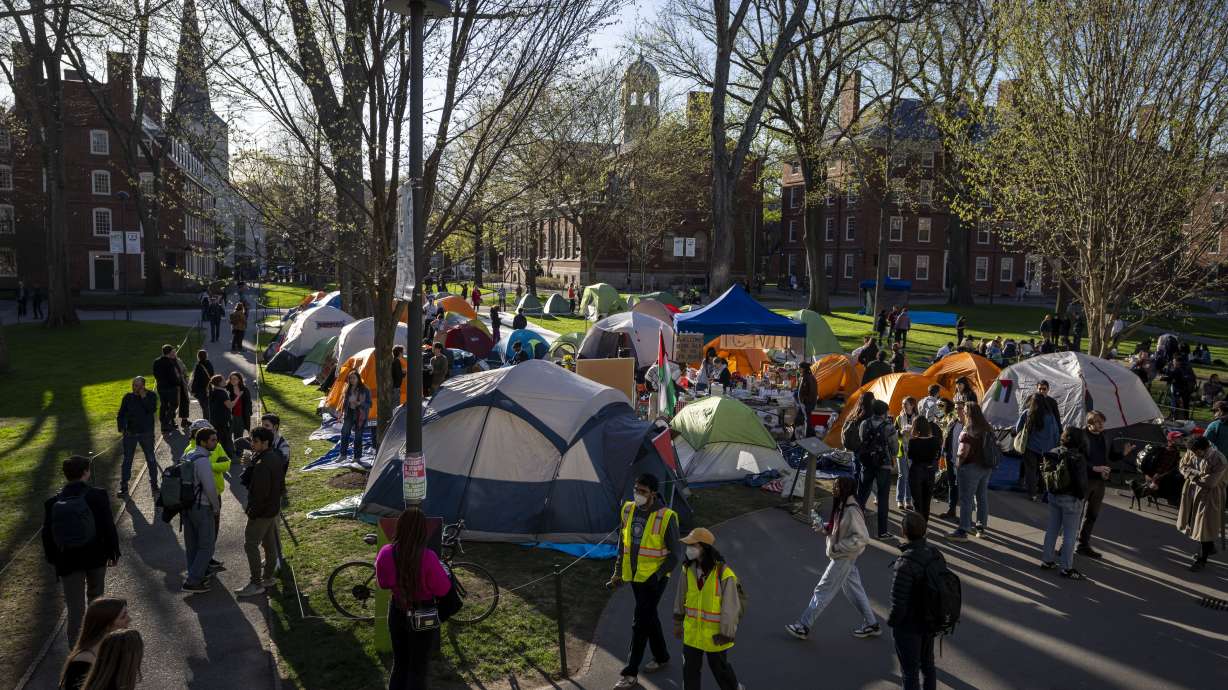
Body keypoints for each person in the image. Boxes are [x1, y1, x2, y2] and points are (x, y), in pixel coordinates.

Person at [608, 475, 682, 689]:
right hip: (634, 576)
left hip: (654, 580)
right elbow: (624, 543)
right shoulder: (628, 509)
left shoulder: (667, 517)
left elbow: (675, 554)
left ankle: (630, 673)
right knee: (649, 616)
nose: (637, 494)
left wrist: (657, 576)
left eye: (642, 491)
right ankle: (662, 656)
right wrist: (618, 571)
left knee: (639, 622)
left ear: (653, 493)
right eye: (636, 489)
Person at [785, 475, 880, 641]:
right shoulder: (844, 504)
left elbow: (862, 537)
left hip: (843, 557)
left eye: (836, 486)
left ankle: (803, 626)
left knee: (823, 590)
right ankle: (872, 623)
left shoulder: (851, 509)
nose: (833, 489)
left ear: (845, 489)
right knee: (854, 590)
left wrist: (838, 547)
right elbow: (842, 527)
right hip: (845, 557)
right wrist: (825, 527)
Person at [43, 455, 121, 644]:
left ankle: (76, 649)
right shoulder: (97, 495)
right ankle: (99, 641)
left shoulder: (53, 502)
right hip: (95, 556)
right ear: (86, 472)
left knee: (75, 607)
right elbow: (107, 526)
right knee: (96, 600)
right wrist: (113, 551)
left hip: (67, 560)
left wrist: (54, 560)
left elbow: (47, 535)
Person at [375, 507, 454, 690]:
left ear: (399, 527)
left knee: (400, 663)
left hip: (397, 610)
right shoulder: (428, 557)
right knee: (417, 667)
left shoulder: (386, 553)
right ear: (422, 531)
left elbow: (383, 583)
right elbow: (443, 590)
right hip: (423, 612)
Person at [672, 527, 742, 690]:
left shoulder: (724, 573)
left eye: (693, 545)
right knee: (689, 671)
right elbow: (680, 597)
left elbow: (730, 608)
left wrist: (726, 634)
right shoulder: (686, 569)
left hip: (715, 636)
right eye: (688, 545)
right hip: (692, 632)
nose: (688, 549)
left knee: (720, 669)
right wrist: (677, 622)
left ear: (704, 548)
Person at [889, 512, 942, 690]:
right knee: (928, 665)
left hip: (909, 626)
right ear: (925, 531)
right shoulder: (935, 554)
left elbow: (898, 603)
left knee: (910, 672)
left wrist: (893, 623)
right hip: (930, 620)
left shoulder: (904, 563)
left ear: (904, 532)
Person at [234, 428, 286, 597]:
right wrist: (251, 465)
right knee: (269, 545)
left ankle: (256, 583)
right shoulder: (274, 456)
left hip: (262, 512)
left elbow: (259, 494)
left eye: (255, 441)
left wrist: (252, 512)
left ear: (265, 443)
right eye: (251, 441)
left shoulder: (263, 464)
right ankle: (268, 578)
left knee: (250, 544)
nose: (252, 444)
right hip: (272, 509)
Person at [1040, 428, 1090, 579]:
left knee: (1052, 529)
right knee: (1069, 534)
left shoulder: (1052, 452)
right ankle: (1066, 568)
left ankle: (1047, 560)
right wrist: (1081, 497)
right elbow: (1081, 483)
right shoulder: (1077, 457)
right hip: (1071, 499)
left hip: (1054, 496)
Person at [1177, 436, 1227, 572]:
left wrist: (1191, 474)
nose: (1192, 455)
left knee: (1204, 525)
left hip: (1210, 496)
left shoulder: (1219, 460)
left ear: (1202, 450)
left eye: (1195, 452)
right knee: (1193, 522)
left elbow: (1210, 482)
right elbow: (1182, 466)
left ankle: (1201, 559)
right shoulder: (1191, 452)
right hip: (1192, 492)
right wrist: (1198, 474)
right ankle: (1210, 546)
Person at [181, 428, 222, 591]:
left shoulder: (187, 455)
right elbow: (210, 488)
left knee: (192, 545)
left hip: (186, 507)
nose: (216, 442)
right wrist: (216, 507)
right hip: (202, 507)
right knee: (207, 545)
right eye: (212, 440)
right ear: (203, 442)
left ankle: (196, 573)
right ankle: (193, 581)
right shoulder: (203, 461)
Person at [59, 597, 130, 690]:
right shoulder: (83, 661)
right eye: (123, 616)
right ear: (106, 625)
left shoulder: (111, 647)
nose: (129, 619)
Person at [1078, 411, 1121, 559]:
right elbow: (1078, 458)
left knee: (1092, 515)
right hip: (1084, 480)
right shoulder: (1081, 436)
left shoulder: (1105, 436)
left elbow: (1112, 456)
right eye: (1097, 421)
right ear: (1089, 423)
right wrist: (1093, 468)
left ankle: (1083, 545)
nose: (1101, 424)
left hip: (1100, 482)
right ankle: (1067, 544)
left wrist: (1123, 453)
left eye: (1102, 421)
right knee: (1075, 514)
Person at [948, 402, 994, 541]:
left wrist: (957, 465)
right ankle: (980, 528)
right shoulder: (987, 428)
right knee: (981, 497)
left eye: (964, 411)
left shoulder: (968, 430)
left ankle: (963, 530)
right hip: (985, 467)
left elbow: (962, 452)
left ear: (968, 413)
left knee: (966, 499)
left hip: (970, 468)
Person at [858, 400, 898, 539]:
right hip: (883, 464)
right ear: (884, 412)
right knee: (882, 498)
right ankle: (882, 531)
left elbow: (862, 438)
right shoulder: (889, 427)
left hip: (867, 462)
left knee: (862, 495)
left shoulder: (864, 423)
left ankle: (855, 526)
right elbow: (894, 447)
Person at [1016, 383, 1062, 501]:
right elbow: (1056, 431)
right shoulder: (1050, 416)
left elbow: (1018, 428)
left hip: (1031, 447)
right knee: (1043, 470)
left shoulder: (1028, 413)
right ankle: (1042, 490)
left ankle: (1032, 494)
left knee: (1030, 470)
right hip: (1046, 448)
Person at [115, 377, 158, 499]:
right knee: (127, 460)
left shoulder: (151, 396)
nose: (135, 388)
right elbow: (121, 414)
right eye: (134, 385)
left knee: (150, 458)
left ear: (144, 386)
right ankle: (124, 487)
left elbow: (151, 409)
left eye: (138, 386)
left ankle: (154, 484)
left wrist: (143, 397)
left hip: (146, 433)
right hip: (130, 434)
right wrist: (121, 427)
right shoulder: (127, 397)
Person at [908, 418, 941, 521]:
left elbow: (910, 456)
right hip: (930, 470)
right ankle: (924, 526)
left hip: (916, 470)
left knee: (917, 503)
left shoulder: (913, 441)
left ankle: (917, 527)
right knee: (926, 502)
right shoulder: (935, 440)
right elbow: (937, 456)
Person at [337, 371, 372, 462]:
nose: (352, 380)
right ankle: (343, 455)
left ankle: (357, 457)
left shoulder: (365, 389)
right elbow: (344, 402)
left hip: (360, 414)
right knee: (344, 433)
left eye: (354, 378)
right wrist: (341, 412)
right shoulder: (348, 388)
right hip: (349, 413)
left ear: (358, 379)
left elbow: (369, 404)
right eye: (350, 378)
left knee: (358, 436)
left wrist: (359, 403)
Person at [936, 399, 961, 520]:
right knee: (952, 484)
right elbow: (945, 433)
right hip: (949, 455)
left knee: (961, 486)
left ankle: (966, 519)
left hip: (960, 458)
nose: (939, 407)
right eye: (956, 408)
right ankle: (952, 510)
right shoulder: (947, 417)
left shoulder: (955, 418)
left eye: (941, 405)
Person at [152, 344, 183, 435]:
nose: (174, 353)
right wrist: (178, 383)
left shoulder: (156, 361)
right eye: (173, 352)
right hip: (170, 388)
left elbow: (155, 374)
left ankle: (168, 423)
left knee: (164, 405)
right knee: (174, 405)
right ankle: (165, 423)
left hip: (161, 387)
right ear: (169, 353)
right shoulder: (169, 362)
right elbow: (172, 376)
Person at [896, 397, 920, 510]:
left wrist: (914, 433)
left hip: (913, 450)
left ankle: (908, 500)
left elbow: (922, 433)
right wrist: (901, 432)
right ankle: (900, 500)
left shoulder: (918, 419)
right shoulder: (899, 418)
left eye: (906, 404)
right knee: (902, 475)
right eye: (902, 404)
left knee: (910, 476)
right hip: (901, 450)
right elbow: (894, 433)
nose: (903, 406)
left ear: (912, 406)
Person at [1163, 355, 1198, 420]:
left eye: (1174, 361)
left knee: (1175, 403)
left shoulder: (1178, 369)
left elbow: (1171, 377)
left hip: (1178, 389)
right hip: (1188, 389)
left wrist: (1164, 377)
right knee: (1186, 404)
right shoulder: (1188, 368)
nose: (1173, 363)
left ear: (1177, 362)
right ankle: (1186, 418)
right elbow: (1193, 377)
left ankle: (1173, 417)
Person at [226, 372, 253, 444]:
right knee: (227, 436)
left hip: (241, 417)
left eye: (235, 379)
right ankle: (229, 452)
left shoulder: (244, 390)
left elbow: (249, 403)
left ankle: (239, 452)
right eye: (231, 379)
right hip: (230, 417)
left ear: (239, 380)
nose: (233, 381)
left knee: (239, 437)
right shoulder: (227, 389)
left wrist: (249, 413)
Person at [190, 350, 214, 417]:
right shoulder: (209, 364)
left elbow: (196, 379)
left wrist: (193, 389)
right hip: (209, 387)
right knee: (208, 405)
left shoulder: (198, 366)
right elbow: (212, 374)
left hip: (201, 389)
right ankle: (210, 419)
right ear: (206, 356)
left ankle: (206, 420)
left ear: (198, 357)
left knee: (204, 406)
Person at [798, 362, 818, 436]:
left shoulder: (808, 377)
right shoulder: (805, 376)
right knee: (805, 419)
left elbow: (812, 391)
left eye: (800, 368)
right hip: (805, 402)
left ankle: (809, 436)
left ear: (804, 369)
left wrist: (805, 401)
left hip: (808, 403)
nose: (799, 369)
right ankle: (810, 435)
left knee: (807, 419)